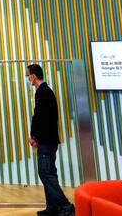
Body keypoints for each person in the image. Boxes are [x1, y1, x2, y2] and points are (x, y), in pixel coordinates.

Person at [27, 64, 74, 216]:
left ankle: (66, 206)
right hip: (48, 140)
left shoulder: (43, 92)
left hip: (46, 141)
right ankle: (53, 208)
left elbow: (41, 118)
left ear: (34, 76)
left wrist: (35, 137)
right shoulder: (44, 92)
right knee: (49, 173)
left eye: (28, 75)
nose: (28, 78)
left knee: (45, 173)